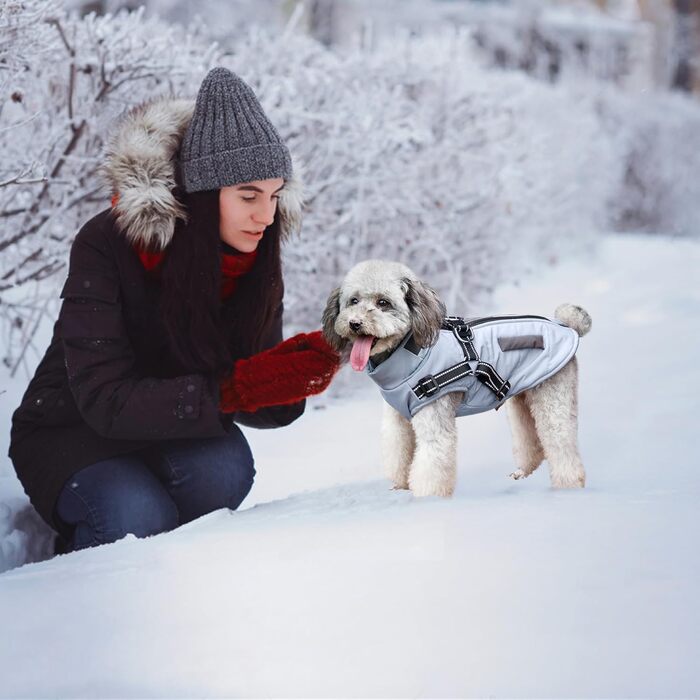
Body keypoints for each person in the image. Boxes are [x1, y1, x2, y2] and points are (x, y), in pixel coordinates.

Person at [8, 67, 340, 554]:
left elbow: (258, 400)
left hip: (172, 423)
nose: (266, 216)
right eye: (248, 196)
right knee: (134, 517)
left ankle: (172, 555)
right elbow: (104, 398)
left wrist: (290, 376)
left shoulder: (254, 254)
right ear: (205, 195)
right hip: (71, 426)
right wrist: (236, 387)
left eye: (273, 196)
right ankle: (79, 570)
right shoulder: (109, 242)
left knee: (225, 473)